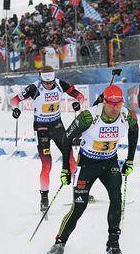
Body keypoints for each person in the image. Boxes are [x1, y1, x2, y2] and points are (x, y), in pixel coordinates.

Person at [43, 84, 138, 254]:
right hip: (87, 164)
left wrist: (130, 160)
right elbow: (66, 138)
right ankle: (59, 244)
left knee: (117, 199)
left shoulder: (127, 115)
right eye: (111, 104)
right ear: (104, 101)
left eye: (118, 104)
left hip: (110, 162)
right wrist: (65, 168)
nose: (115, 108)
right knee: (79, 206)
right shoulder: (89, 116)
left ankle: (113, 246)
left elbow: (134, 131)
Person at [10, 66, 85, 212]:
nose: (49, 85)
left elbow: (79, 96)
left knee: (70, 159)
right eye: (47, 83)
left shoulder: (60, 84)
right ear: (41, 79)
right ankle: (44, 198)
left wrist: (78, 103)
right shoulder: (34, 88)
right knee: (47, 165)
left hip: (57, 126)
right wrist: (16, 109)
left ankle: (81, 191)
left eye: (51, 83)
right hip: (41, 129)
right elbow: (14, 100)